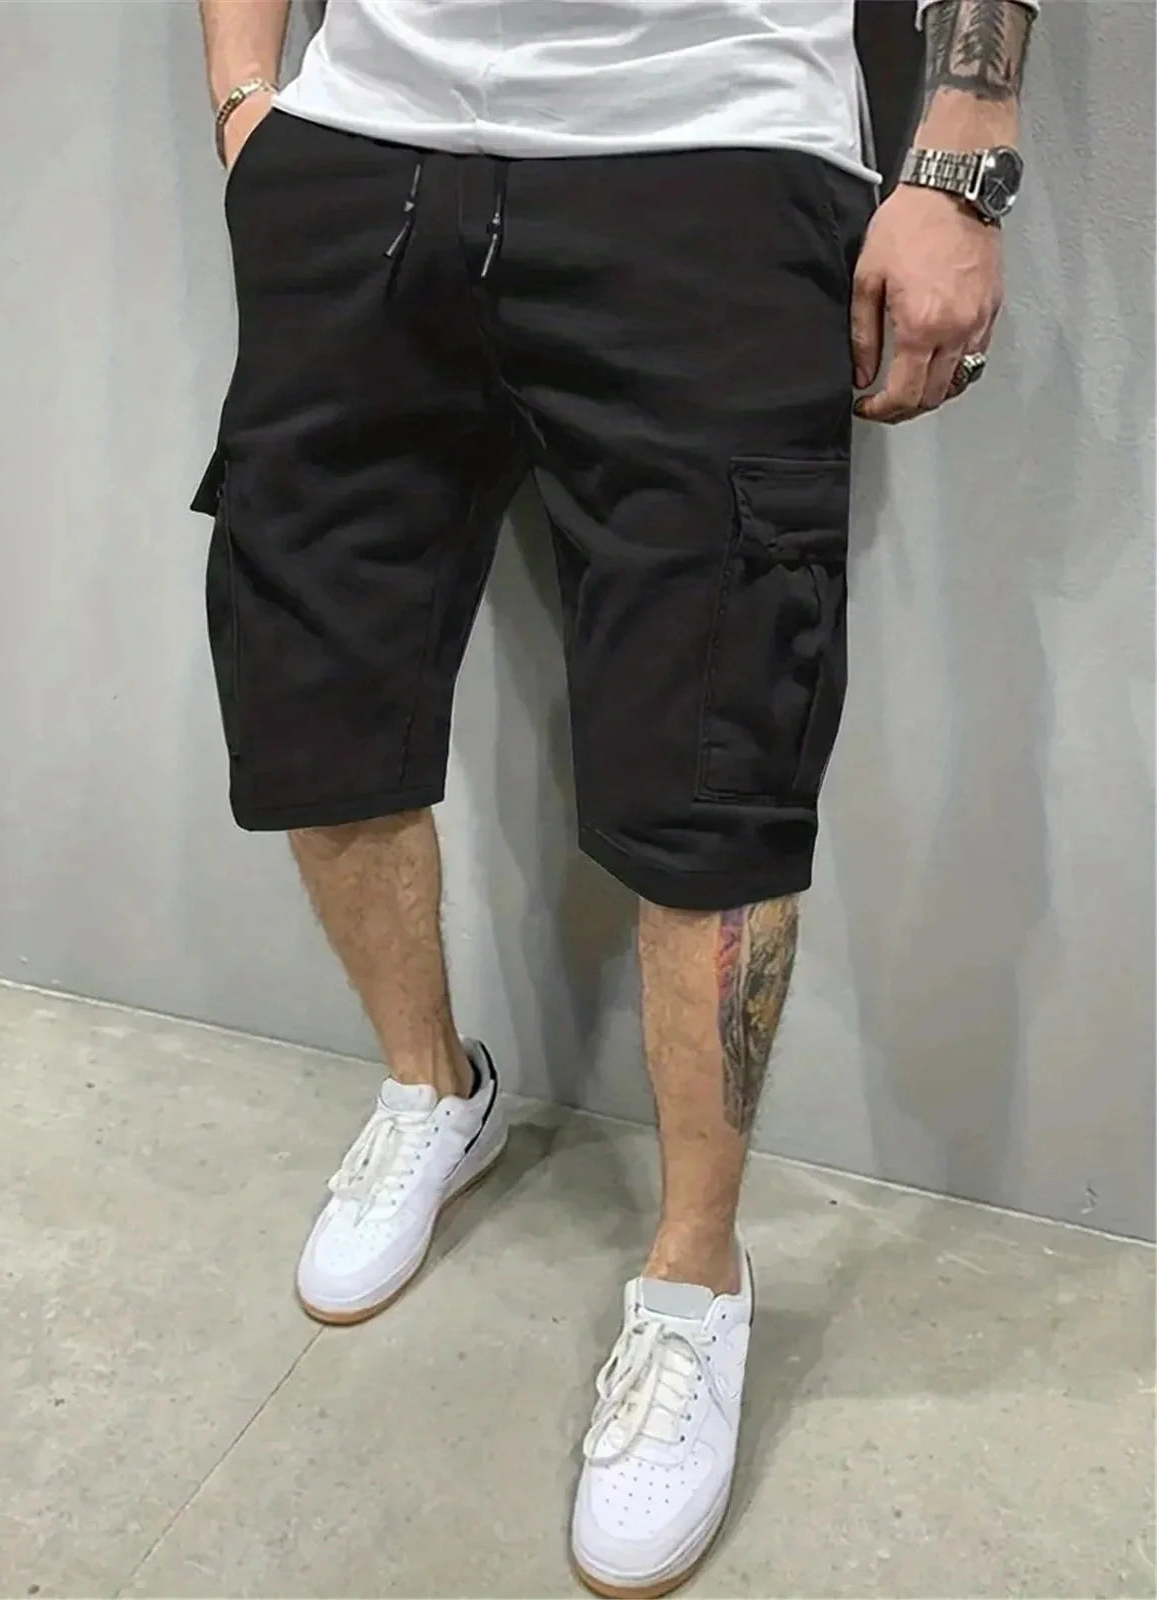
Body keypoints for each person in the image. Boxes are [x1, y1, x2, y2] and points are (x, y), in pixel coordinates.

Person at [192, 2, 1035, 1591]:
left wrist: (963, 149)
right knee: (314, 688)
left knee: (715, 764)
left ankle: (695, 1280)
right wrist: (247, 105)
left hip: (712, 153)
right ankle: (433, 1093)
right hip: (359, 152)